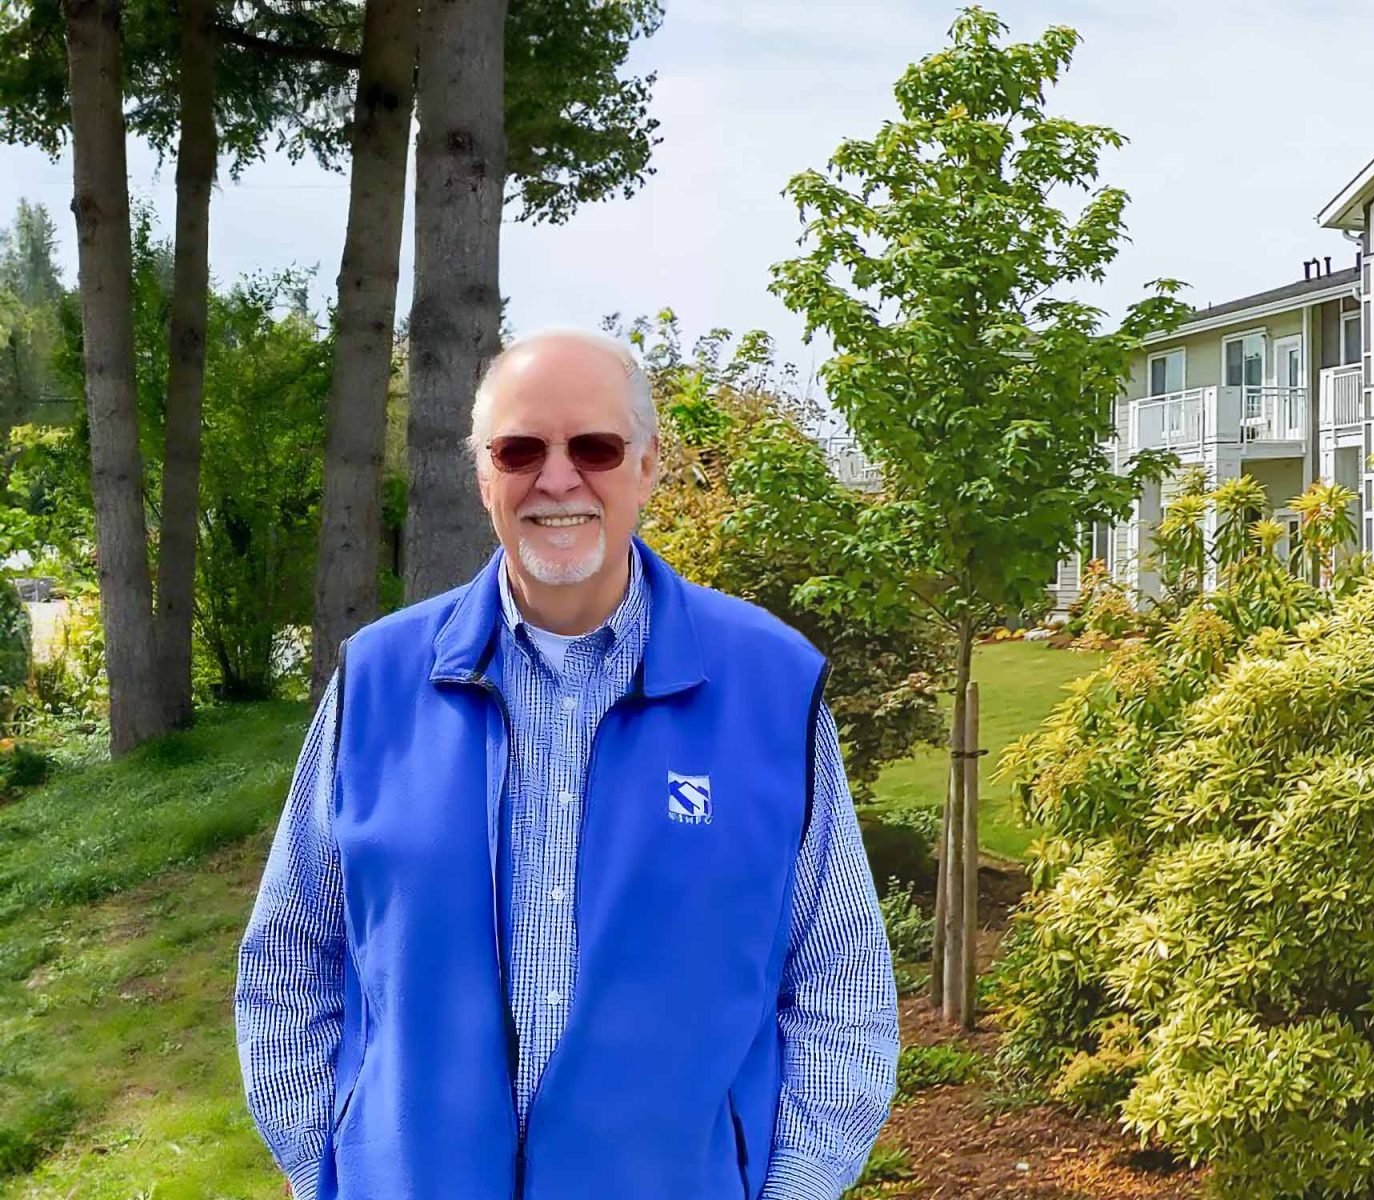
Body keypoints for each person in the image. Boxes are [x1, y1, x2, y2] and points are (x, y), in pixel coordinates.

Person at [234, 328, 899, 1200]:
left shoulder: (768, 688)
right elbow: (287, 956)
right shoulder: (377, 682)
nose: (556, 478)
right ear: (482, 475)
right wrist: (325, 1167)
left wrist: (794, 1186)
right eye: (519, 449)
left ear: (647, 466)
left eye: (594, 446)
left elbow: (840, 989)